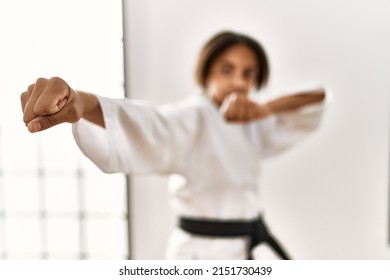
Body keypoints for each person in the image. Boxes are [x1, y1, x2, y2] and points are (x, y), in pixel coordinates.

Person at [21, 31, 330, 260]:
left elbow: (316, 97)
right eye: (227, 69)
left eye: (248, 74)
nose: (238, 81)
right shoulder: (191, 117)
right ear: (206, 72)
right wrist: (84, 102)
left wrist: (265, 108)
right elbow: (147, 122)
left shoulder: (257, 122)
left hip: (245, 250)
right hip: (200, 255)